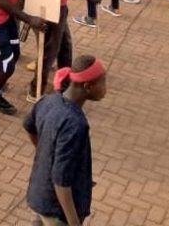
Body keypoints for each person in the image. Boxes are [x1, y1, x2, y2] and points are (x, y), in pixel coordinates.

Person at [23, 56, 108, 226]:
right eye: (103, 82)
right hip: (57, 210)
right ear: (87, 86)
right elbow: (61, 180)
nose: (106, 88)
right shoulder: (75, 124)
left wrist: (45, 152)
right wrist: (74, 222)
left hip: (39, 193)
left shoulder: (49, 101)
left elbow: (29, 126)